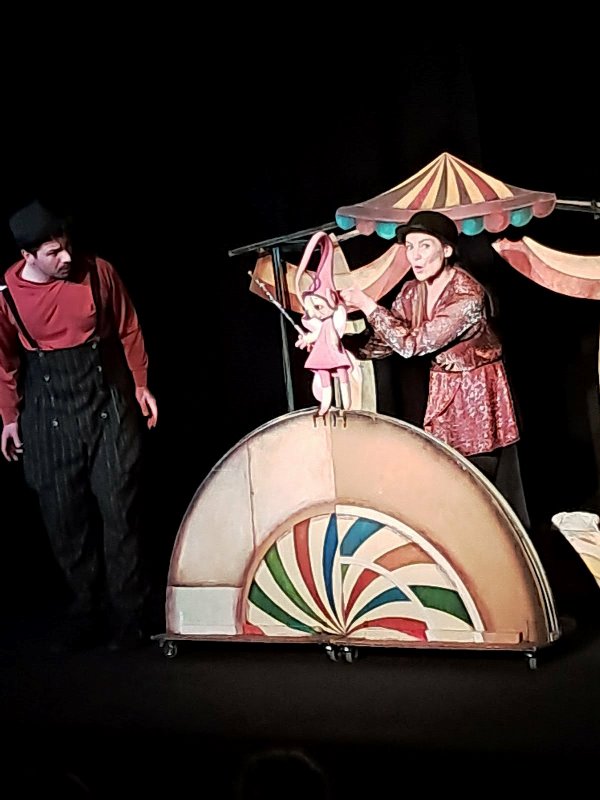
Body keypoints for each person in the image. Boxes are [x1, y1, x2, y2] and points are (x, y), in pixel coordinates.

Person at [0, 199, 158, 651]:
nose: (66, 257)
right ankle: (87, 610)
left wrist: (141, 384)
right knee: (64, 516)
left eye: (66, 246)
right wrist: (9, 417)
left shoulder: (98, 272)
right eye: (53, 253)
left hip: (107, 399)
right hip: (49, 409)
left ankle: (130, 616)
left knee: (119, 509)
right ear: (28, 257)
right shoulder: (8, 295)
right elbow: (4, 360)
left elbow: (129, 327)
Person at [339, 209, 530, 529]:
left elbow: (413, 345)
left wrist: (368, 305)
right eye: (410, 247)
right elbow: (386, 342)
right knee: (444, 470)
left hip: (475, 392)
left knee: (477, 476)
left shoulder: (467, 295)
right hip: (443, 388)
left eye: (424, 245)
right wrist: (338, 341)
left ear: (446, 250)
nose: (415, 255)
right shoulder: (411, 292)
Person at [294, 231, 355, 421]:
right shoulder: (321, 324)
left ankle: (346, 407)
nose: (315, 313)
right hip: (322, 355)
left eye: (319, 307)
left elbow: (321, 334)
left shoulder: (334, 320)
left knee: (343, 378)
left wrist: (308, 338)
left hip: (334, 353)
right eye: (311, 309)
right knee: (325, 379)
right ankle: (325, 407)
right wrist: (306, 339)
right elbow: (314, 335)